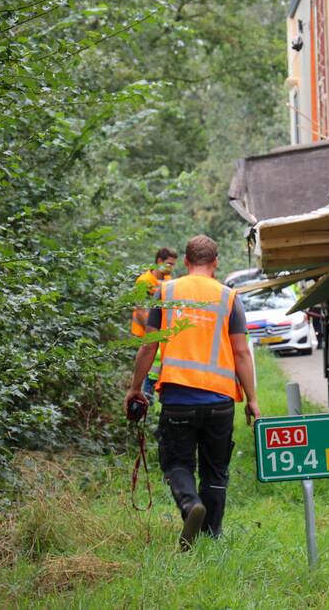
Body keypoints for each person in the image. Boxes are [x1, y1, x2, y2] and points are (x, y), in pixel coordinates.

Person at [124, 235, 261, 549]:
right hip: (220, 400)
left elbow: (148, 346)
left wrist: (134, 389)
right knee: (216, 470)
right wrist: (252, 399)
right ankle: (211, 535)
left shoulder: (166, 291)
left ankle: (190, 505)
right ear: (215, 263)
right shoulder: (229, 298)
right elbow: (241, 353)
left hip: (178, 398)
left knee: (177, 464)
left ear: (185, 262)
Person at [131, 247, 178, 403]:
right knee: (145, 370)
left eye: (173, 265)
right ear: (159, 261)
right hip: (143, 334)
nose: (171, 267)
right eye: (169, 264)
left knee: (158, 369)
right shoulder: (144, 281)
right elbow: (139, 310)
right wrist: (153, 333)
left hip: (161, 334)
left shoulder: (169, 281)